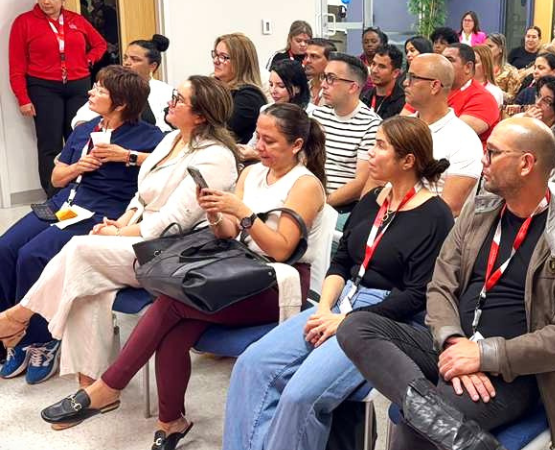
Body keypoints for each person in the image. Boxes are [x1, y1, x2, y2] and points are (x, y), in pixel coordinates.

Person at [40, 103, 327, 447]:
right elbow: (227, 233)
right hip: (237, 270)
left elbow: (281, 249)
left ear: (296, 145)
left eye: (269, 141)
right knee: (175, 331)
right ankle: (170, 422)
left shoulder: (305, 185)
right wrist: (217, 215)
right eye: (258, 138)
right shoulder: (252, 174)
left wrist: (244, 213)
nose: (258, 147)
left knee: (172, 305)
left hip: (278, 283)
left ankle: (109, 387)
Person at [337, 116, 555, 450]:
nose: (483, 160)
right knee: (356, 325)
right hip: (452, 346)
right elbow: (440, 286)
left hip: (519, 373)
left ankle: (436, 415)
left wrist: (484, 355)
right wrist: (454, 344)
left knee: (416, 425)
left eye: (492, 152)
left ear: (525, 164)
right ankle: (472, 442)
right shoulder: (478, 213)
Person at [222, 116, 454, 450]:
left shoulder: (435, 215)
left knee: (300, 396)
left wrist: (345, 321)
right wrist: (326, 309)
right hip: (340, 300)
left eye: (380, 146)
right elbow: (342, 261)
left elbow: (417, 296)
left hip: (383, 320)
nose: (370, 154)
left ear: (408, 161)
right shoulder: (373, 197)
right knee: (252, 364)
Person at [0, 76, 239, 389]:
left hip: (168, 247)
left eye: (179, 99)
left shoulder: (214, 156)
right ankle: (89, 385)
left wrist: (119, 233)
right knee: (83, 279)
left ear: (201, 115)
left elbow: (174, 221)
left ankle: (21, 318)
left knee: (77, 251)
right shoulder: (171, 140)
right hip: (127, 227)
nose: (170, 101)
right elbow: (140, 196)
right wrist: (121, 224)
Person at [0, 66, 164, 383]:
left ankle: (41, 338)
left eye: (100, 90)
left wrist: (126, 156)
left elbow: (168, 163)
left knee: (33, 255)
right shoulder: (85, 129)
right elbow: (56, 177)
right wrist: (79, 166)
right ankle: (11, 334)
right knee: (6, 248)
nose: (90, 92)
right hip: (64, 205)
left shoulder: (150, 137)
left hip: (99, 211)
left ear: (120, 103)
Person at [9, 0, 107, 197]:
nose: (46, 1)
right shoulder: (24, 22)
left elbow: (100, 44)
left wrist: (88, 60)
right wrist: (23, 98)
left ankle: (79, 190)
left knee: (79, 138)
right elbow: (16, 66)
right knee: (50, 143)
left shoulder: (76, 20)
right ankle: (53, 194)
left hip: (78, 85)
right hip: (44, 88)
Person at [404, 53, 483, 216]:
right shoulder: (402, 128)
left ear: (434, 86)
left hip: (431, 230)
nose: (405, 83)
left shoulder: (464, 140)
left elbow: (450, 207)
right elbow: (378, 183)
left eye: (413, 78)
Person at [310, 53, 381, 218]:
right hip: (310, 195)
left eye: (331, 78)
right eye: (324, 77)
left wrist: (321, 203)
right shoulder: (318, 116)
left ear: (353, 87)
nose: (323, 85)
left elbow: (360, 182)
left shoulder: (371, 124)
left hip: (341, 208)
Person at [72, 35, 173, 132]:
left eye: (135, 59)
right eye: (125, 58)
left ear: (152, 66)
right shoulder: (112, 87)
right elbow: (81, 119)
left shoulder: (167, 92)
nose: (127, 63)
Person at [240, 59, 312, 162]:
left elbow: (304, 156)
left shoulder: (311, 114)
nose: (273, 91)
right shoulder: (266, 109)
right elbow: (253, 144)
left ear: (297, 88)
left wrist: (257, 154)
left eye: (281, 86)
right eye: (271, 84)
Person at [212, 33, 268, 143]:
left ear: (240, 61)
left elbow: (218, 130)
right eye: (215, 55)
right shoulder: (213, 87)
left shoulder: (250, 97)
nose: (215, 61)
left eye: (223, 57)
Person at [442, 43, 501, 144]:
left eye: (449, 60)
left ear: (468, 67)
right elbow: (407, 127)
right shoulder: (431, 88)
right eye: (441, 60)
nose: (442, 64)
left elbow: (452, 137)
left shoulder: (484, 99)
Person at [360, 44, 406, 119]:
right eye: (373, 64)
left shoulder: (403, 102)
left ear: (395, 73)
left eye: (382, 67)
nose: (374, 70)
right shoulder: (363, 97)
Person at [485, 32, 521, 103]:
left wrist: (493, 91)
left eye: (490, 46)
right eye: (485, 47)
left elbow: (512, 98)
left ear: (500, 49)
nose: (486, 50)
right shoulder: (480, 68)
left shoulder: (511, 71)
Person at [304, 37, 337, 110]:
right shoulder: (302, 89)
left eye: (314, 56)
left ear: (330, 60)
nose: (307, 60)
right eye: (306, 56)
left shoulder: (337, 93)